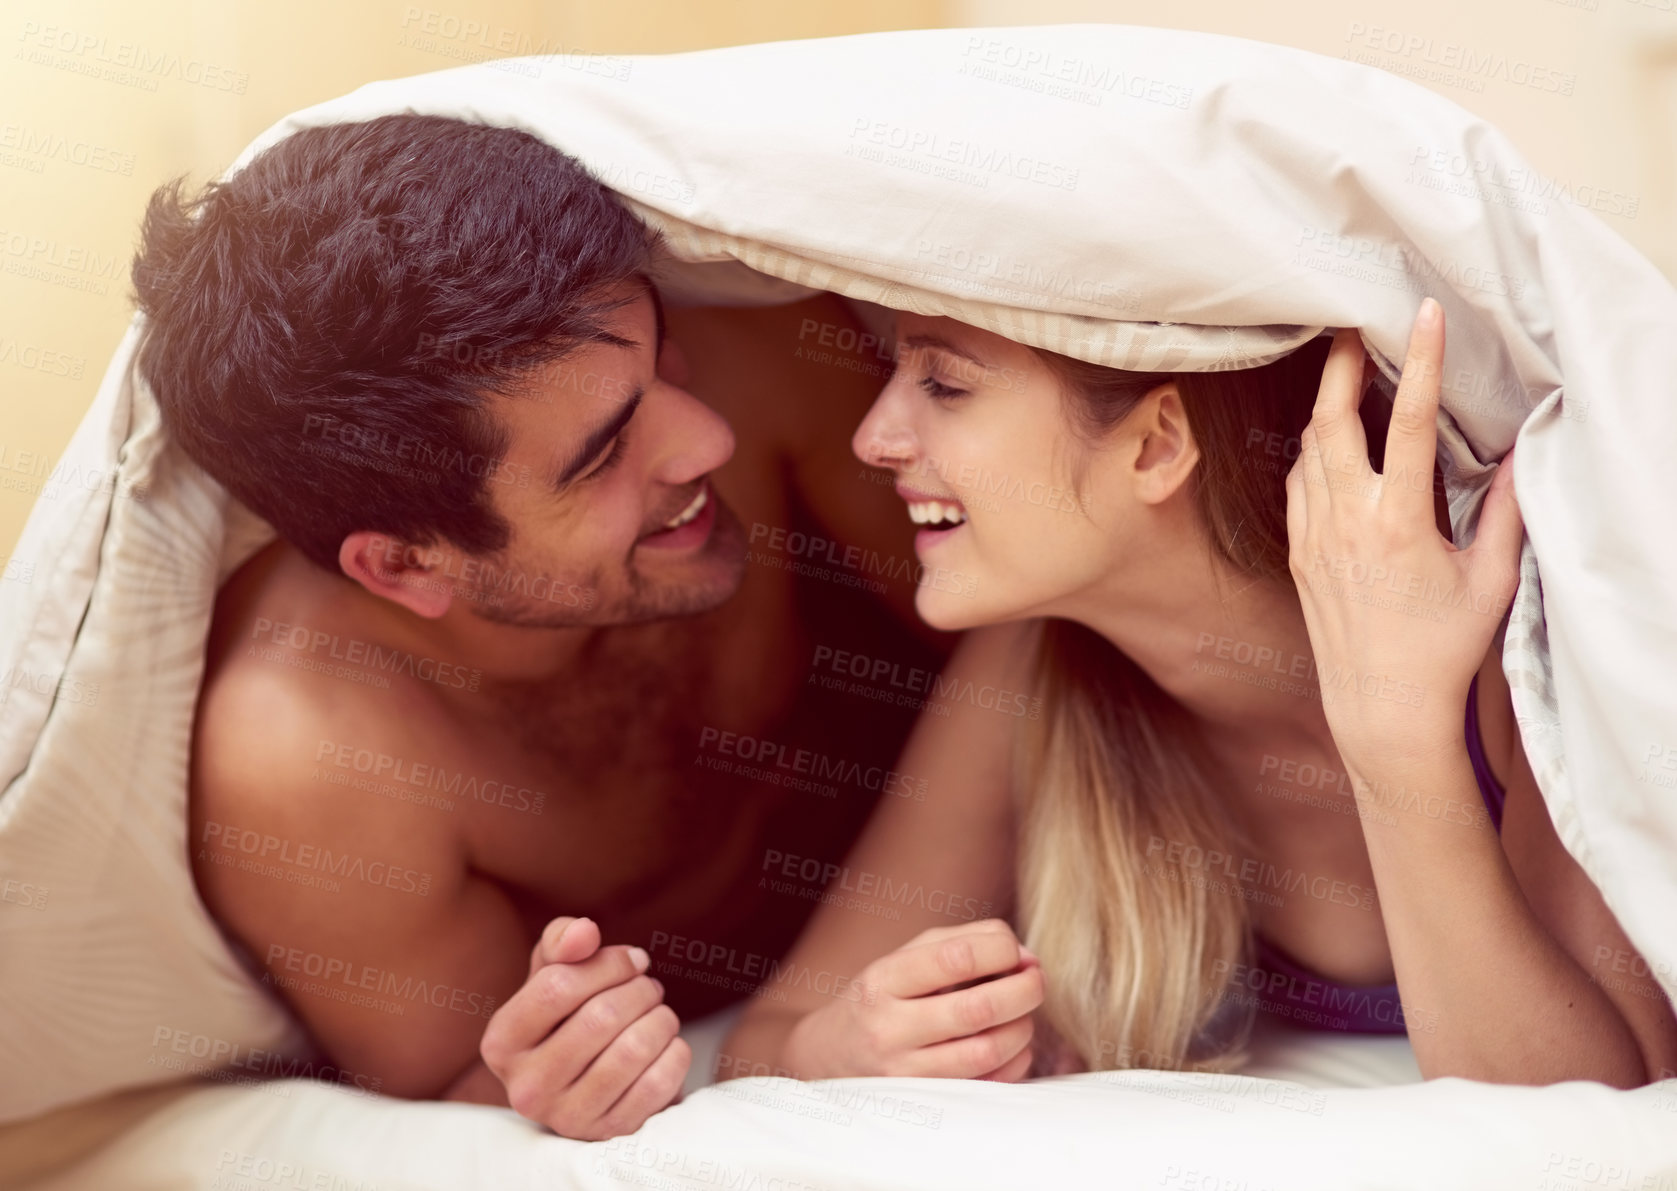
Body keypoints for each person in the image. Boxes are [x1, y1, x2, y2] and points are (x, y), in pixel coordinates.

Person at [132, 114, 946, 1140]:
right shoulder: (311, 756)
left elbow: (1034, 634)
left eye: (663, 359)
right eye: (601, 457)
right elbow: (459, 1091)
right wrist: (551, 1084)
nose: (708, 440)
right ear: (408, 564)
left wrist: (799, 1022)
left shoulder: (765, 349)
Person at [721, 303, 1677, 1087]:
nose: (872, 436)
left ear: (1155, 447)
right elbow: (764, 1040)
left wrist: (1396, 735)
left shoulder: (1496, 630)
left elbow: (1593, 1115)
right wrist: (840, 1051)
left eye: (945, 385)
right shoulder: (1033, 667)